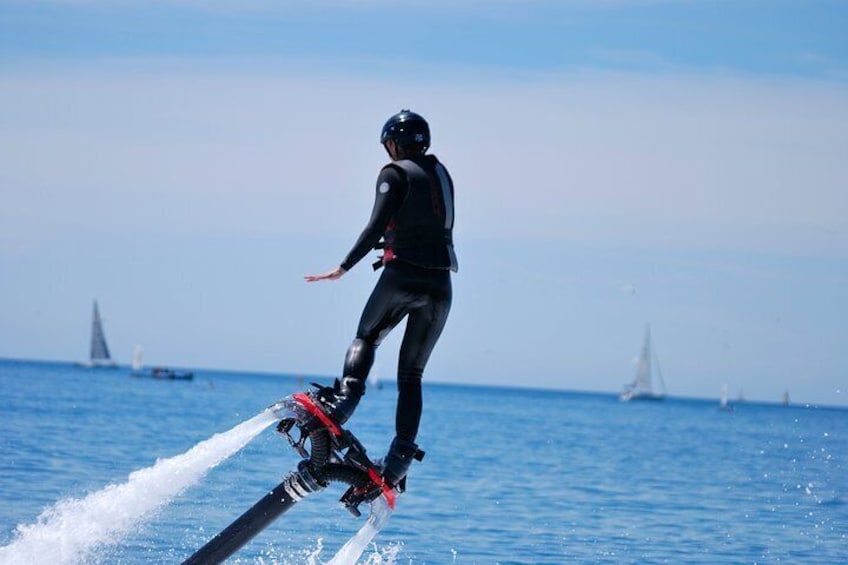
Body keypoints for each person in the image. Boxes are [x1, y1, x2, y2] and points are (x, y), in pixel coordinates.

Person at [304, 109, 458, 489]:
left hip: (403, 275)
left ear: (394, 143)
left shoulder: (394, 173)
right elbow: (426, 224)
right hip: (441, 287)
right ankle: (398, 462)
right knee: (411, 375)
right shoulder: (442, 174)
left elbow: (376, 223)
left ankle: (342, 404)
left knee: (367, 338)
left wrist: (343, 267)